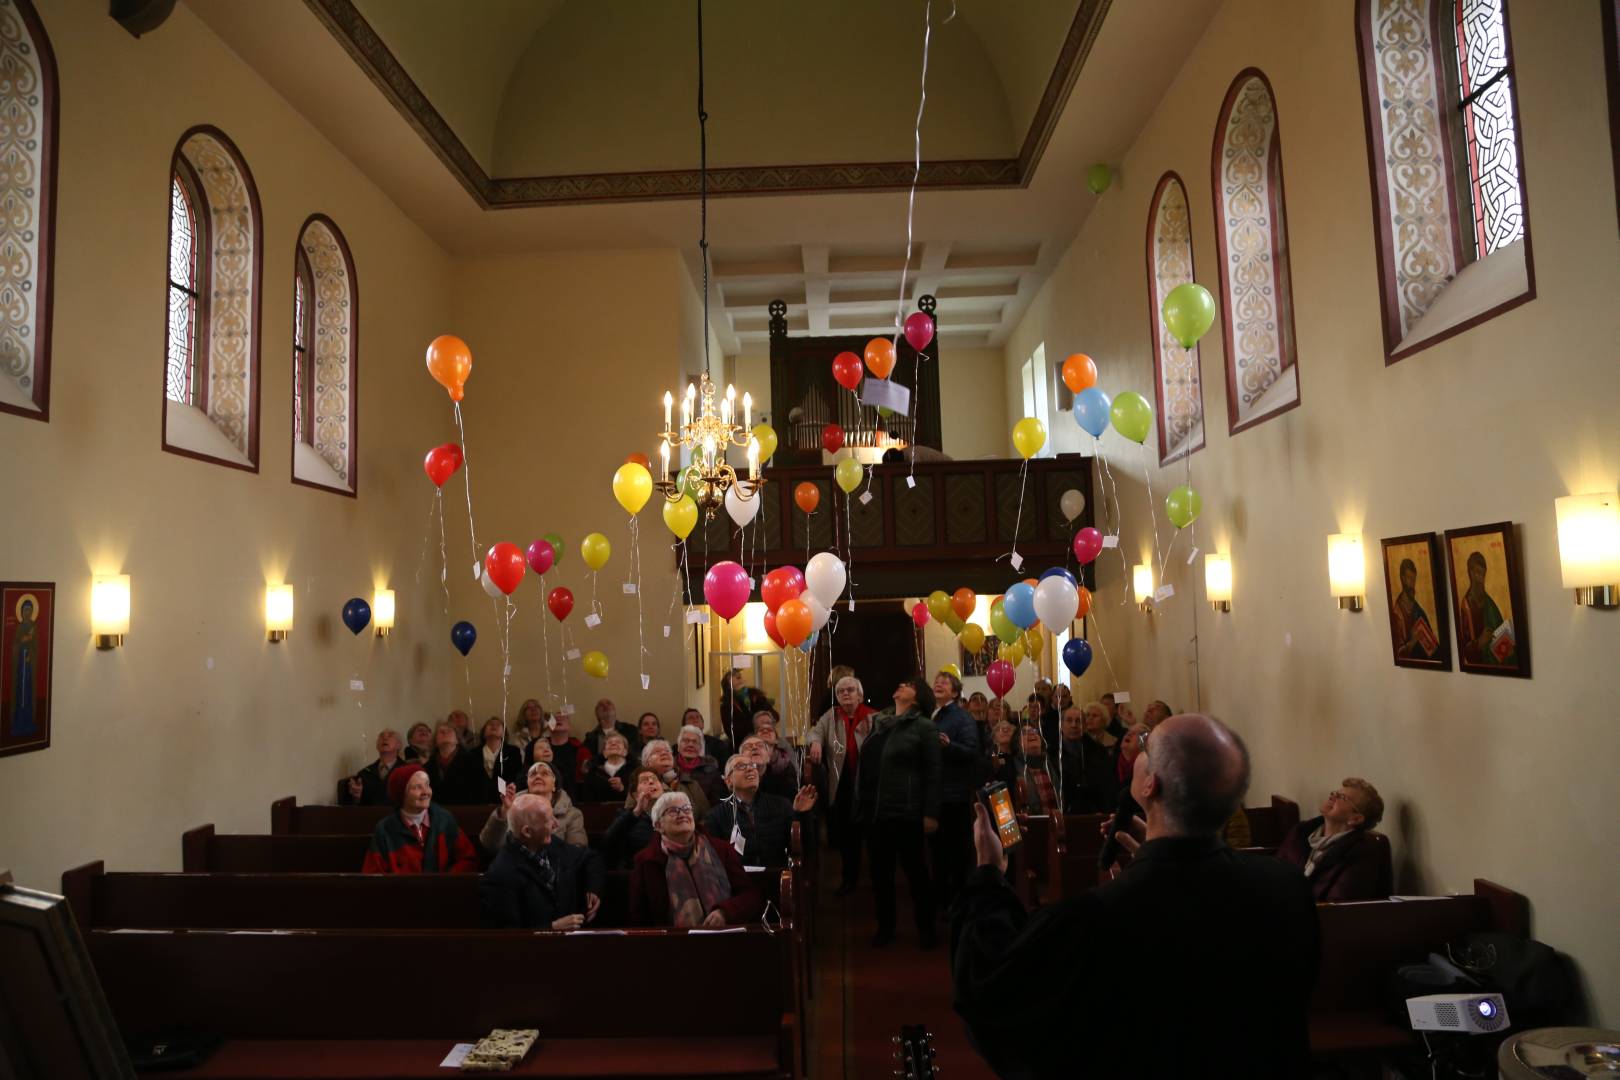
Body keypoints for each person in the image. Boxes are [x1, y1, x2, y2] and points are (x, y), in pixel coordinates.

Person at [951, 714, 1320, 1079]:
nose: (1138, 747)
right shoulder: (1286, 885)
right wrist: (1158, 857)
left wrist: (988, 875)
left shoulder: (1092, 918)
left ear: (1150, 786)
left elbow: (992, 999)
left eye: (1147, 745)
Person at [855, 676, 942, 948]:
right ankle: (886, 928)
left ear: (916, 698)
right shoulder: (881, 724)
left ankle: (927, 930)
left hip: (907, 812)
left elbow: (934, 772)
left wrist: (930, 813)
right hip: (877, 812)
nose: (901, 686)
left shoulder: (924, 727)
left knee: (916, 874)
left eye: (907, 685)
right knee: (880, 875)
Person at [627, 791, 762, 927]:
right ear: (658, 826)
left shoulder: (721, 849)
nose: (682, 814)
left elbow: (750, 895)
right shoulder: (646, 861)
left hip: (724, 935)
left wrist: (725, 912)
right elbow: (639, 916)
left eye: (687, 809)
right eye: (672, 811)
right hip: (672, 943)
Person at [478, 794, 604, 930]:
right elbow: (508, 937)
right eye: (548, 820)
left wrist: (593, 888)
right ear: (527, 831)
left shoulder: (550, 843)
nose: (556, 824)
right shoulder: (500, 875)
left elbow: (590, 858)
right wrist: (552, 928)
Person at [807, 674, 875, 895]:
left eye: (850, 690)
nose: (845, 694)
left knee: (873, 837)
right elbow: (814, 732)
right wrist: (816, 742)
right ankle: (849, 880)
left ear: (860, 694)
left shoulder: (873, 717)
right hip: (843, 785)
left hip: (869, 787)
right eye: (841, 691)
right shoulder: (831, 716)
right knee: (848, 838)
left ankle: (877, 881)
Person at [1278, 778, 1390, 901]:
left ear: (1355, 818)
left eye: (1342, 797)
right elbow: (1275, 872)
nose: (1332, 797)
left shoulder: (1361, 852)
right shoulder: (1300, 832)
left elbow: (1339, 902)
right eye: (1334, 793)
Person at [703, 755, 817, 870]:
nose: (750, 769)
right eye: (741, 766)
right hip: (737, 881)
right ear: (728, 781)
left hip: (777, 878)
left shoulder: (781, 805)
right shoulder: (716, 816)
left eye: (752, 765)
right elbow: (714, 860)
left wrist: (802, 815)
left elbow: (804, 848)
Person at [362, 765, 479, 874]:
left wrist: (445, 881)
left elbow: (468, 859)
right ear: (402, 794)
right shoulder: (385, 830)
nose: (426, 792)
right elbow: (373, 874)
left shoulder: (444, 820)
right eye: (417, 787)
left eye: (427, 785)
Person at [931, 668, 981, 912]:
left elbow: (971, 752)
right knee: (938, 853)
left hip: (954, 795)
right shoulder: (933, 713)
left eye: (944, 682)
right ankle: (942, 900)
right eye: (936, 682)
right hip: (936, 793)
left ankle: (960, 903)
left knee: (957, 853)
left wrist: (949, 747)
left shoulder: (962, 718)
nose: (938, 684)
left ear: (955, 690)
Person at [480, 761, 587, 852]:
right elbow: (490, 846)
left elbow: (577, 851)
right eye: (532, 774)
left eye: (545, 773)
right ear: (528, 783)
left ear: (554, 785)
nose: (538, 776)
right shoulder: (513, 807)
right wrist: (505, 811)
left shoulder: (572, 814)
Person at [600, 770, 668, 869]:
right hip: (640, 870)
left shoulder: (673, 813)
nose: (651, 782)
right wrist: (636, 812)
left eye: (654, 779)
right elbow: (607, 843)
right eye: (644, 781)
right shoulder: (627, 816)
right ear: (635, 795)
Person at [1057, 703, 1118, 813]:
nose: (1074, 725)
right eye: (1069, 720)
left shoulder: (1098, 751)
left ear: (1084, 726)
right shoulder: (1051, 752)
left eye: (1078, 721)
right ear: (1061, 725)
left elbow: (1107, 785)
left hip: (1093, 811)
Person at [629, 738, 711, 820]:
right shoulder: (638, 783)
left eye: (668, 751)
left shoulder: (691, 783)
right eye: (657, 751)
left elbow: (705, 816)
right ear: (647, 762)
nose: (664, 753)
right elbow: (632, 815)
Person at [1458, 550, 1515, 666]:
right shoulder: (1466, 606)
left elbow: (1502, 633)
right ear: (1470, 573)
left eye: (1483, 574)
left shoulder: (1489, 603)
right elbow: (1464, 649)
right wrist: (1479, 643)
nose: (1480, 578)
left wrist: (1509, 647)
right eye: (1477, 573)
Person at [532, 709, 591, 797]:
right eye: (555, 717)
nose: (558, 718)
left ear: (570, 726)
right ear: (548, 725)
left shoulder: (581, 750)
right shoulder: (535, 746)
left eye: (564, 717)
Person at [339, 729, 406, 805]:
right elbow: (356, 808)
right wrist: (357, 797)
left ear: (399, 745)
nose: (385, 738)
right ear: (377, 745)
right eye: (381, 736)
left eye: (390, 735)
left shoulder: (408, 772)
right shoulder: (364, 774)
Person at [1390, 559, 1440, 660]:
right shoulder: (1397, 614)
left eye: (1414, 579)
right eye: (1409, 578)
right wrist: (1412, 642)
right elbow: (1398, 654)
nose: (1412, 584)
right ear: (1402, 578)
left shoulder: (1418, 611)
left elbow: (1434, 649)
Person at [1005, 723, 1060, 814]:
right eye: (1024, 733)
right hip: (1027, 825)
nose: (1032, 733)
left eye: (1035, 731)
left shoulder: (1055, 763)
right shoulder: (1008, 769)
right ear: (1017, 744)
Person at [470, 716, 526, 804]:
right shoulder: (472, 753)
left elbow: (514, 777)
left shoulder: (513, 752)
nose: (493, 725)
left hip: (505, 799)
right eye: (490, 724)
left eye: (498, 725)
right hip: (477, 800)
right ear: (483, 732)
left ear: (504, 733)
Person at [423, 722, 475, 804]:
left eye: (449, 731)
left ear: (457, 740)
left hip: (466, 811)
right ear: (435, 742)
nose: (445, 733)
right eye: (441, 731)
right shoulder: (427, 767)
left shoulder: (473, 762)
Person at [750, 714, 799, 799]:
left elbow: (792, 788)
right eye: (761, 730)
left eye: (770, 730)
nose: (765, 731)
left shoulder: (786, 761)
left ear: (776, 740)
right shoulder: (749, 757)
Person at [674, 724, 726, 804]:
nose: (690, 745)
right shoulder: (669, 769)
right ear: (678, 746)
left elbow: (718, 804)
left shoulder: (712, 773)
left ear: (700, 748)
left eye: (695, 742)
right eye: (686, 741)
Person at [720, 668, 769, 748]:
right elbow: (731, 731)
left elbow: (774, 715)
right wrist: (755, 725)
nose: (738, 676)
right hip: (743, 745)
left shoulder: (756, 696)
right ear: (728, 686)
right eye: (733, 676)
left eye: (739, 676)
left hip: (765, 741)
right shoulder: (727, 705)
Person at [579, 731, 634, 802]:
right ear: (604, 752)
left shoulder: (635, 771)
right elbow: (588, 801)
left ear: (625, 752)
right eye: (610, 743)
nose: (614, 743)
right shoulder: (593, 773)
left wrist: (623, 789)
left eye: (618, 742)